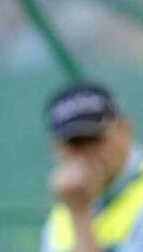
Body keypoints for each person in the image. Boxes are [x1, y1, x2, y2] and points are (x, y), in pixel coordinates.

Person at [41, 83, 143, 252]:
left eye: (94, 138)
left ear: (124, 129)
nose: (87, 152)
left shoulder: (74, 204)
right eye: (75, 143)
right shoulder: (64, 211)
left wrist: (80, 216)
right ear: (55, 149)